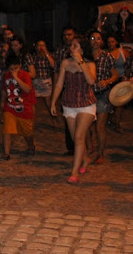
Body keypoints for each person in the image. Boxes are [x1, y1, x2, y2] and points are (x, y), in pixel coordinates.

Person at [50, 36, 97, 183]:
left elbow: (91, 81)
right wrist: (53, 102)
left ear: (82, 49)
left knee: (78, 137)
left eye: (75, 46)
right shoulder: (65, 63)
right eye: (71, 45)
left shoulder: (90, 64)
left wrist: (81, 61)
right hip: (69, 104)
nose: (71, 48)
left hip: (86, 103)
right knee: (75, 138)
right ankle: (85, 158)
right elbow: (59, 84)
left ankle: (74, 173)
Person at [88, 30, 118, 164]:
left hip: (102, 94)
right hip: (87, 94)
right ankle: (90, 147)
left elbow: (115, 74)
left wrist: (107, 81)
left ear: (102, 41)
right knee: (87, 125)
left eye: (98, 38)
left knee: (100, 126)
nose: (95, 41)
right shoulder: (85, 56)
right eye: (92, 38)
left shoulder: (107, 56)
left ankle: (100, 153)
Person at [1, 54, 37, 160]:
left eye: (16, 68)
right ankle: (6, 153)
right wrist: (2, 102)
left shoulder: (25, 75)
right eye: (11, 69)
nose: (14, 71)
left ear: (20, 66)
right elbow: (4, 90)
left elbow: (27, 89)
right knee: (7, 130)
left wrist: (16, 77)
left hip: (24, 109)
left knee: (27, 133)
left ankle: (31, 146)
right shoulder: (6, 75)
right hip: (10, 107)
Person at [54, 26, 77, 155]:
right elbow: (56, 71)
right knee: (68, 118)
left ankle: (84, 146)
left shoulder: (81, 49)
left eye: (69, 34)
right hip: (65, 88)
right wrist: (55, 92)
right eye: (65, 35)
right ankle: (71, 147)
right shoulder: (60, 51)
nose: (67, 37)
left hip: (80, 89)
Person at [107, 35, 129, 132]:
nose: (110, 44)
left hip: (120, 79)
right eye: (108, 42)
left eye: (112, 41)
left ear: (116, 42)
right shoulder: (105, 53)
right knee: (110, 102)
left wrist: (127, 77)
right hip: (110, 79)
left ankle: (117, 124)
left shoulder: (123, 52)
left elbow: (128, 65)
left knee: (119, 103)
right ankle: (110, 119)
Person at [32, 40, 55, 114]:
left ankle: (53, 114)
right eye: (39, 45)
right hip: (36, 81)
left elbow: (53, 65)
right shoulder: (33, 57)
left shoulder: (50, 56)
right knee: (33, 101)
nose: (41, 47)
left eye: (43, 45)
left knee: (48, 101)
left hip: (46, 81)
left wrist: (47, 55)